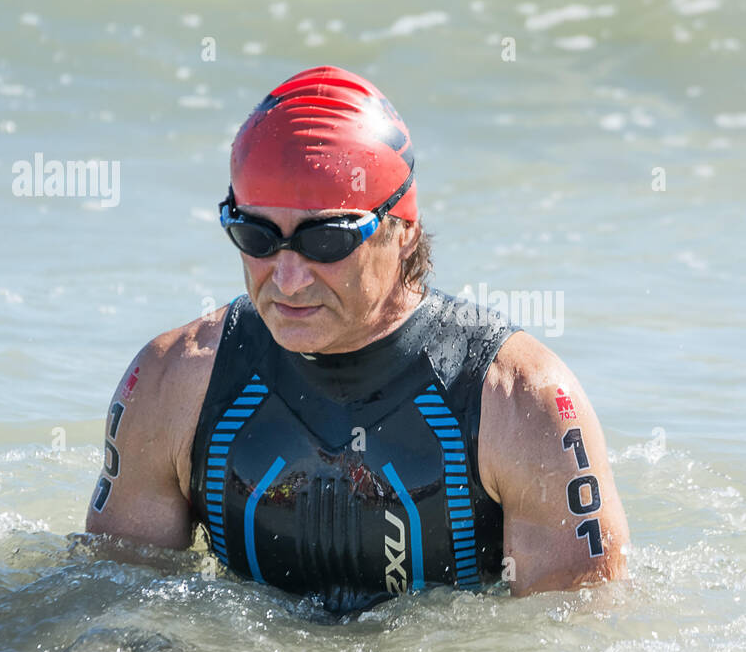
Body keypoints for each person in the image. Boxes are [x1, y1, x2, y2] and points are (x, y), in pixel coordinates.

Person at [85, 65, 629, 613]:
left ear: (403, 229)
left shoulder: (521, 403)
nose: (288, 278)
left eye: (326, 240)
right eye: (256, 236)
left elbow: (572, 646)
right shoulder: (171, 383)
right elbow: (112, 606)